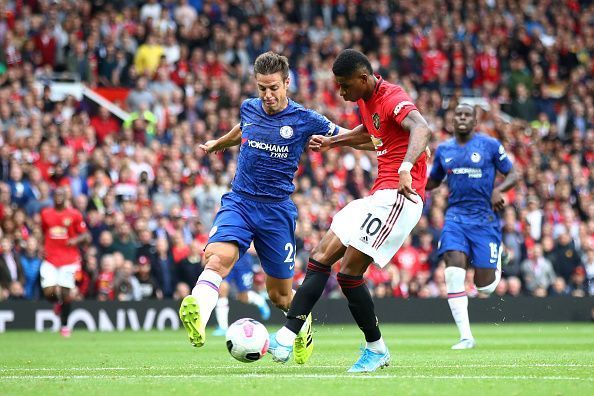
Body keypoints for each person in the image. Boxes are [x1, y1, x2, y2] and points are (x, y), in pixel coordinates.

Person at [179, 52, 352, 363]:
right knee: (217, 258)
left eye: (274, 88)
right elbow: (242, 128)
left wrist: (385, 145)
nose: (268, 95)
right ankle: (199, 317)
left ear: (287, 83)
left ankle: (303, 323)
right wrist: (217, 144)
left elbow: (347, 135)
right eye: (262, 88)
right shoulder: (249, 108)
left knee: (280, 297)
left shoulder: (305, 119)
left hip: (276, 212)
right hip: (241, 201)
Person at [268, 49, 431, 372]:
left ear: (363, 78)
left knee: (349, 274)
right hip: (378, 196)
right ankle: (287, 334)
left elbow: (422, 128)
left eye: (345, 86)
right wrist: (334, 142)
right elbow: (372, 134)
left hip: (401, 196)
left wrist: (405, 167)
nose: (341, 92)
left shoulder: (392, 97)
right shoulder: (367, 100)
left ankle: (376, 349)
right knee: (321, 255)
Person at [425, 103, 517, 349]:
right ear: (453, 120)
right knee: (453, 272)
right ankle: (466, 337)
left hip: (484, 220)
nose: (463, 118)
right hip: (455, 218)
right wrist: (413, 184)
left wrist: (499, 189)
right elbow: (433, 180)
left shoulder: (490, 145)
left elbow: (513, 173)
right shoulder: (444, 149)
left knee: (485, 288)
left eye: (467, 115)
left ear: (475, 122)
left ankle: (498, 260)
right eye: (459, 115)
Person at [40, 187, 91, 337]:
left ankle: (64, 326)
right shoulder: (46, 214)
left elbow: (86, 235)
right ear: (53, 196)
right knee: (48, 292)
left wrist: (76, 239)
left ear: (66, 197)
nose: (58, 197)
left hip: (69, 259)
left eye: (61, 194)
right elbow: (44, 233)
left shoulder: (74, 214)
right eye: (56, 194)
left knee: (66, 292)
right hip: (50, 258)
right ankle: (57, 303)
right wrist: (41, 247)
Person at [212, 248, 271, 336]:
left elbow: (253, 244)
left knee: (243, 297)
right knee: (222, 288)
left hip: (243, 262)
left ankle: (259, 301)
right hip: (227, 261)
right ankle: (223, 327)